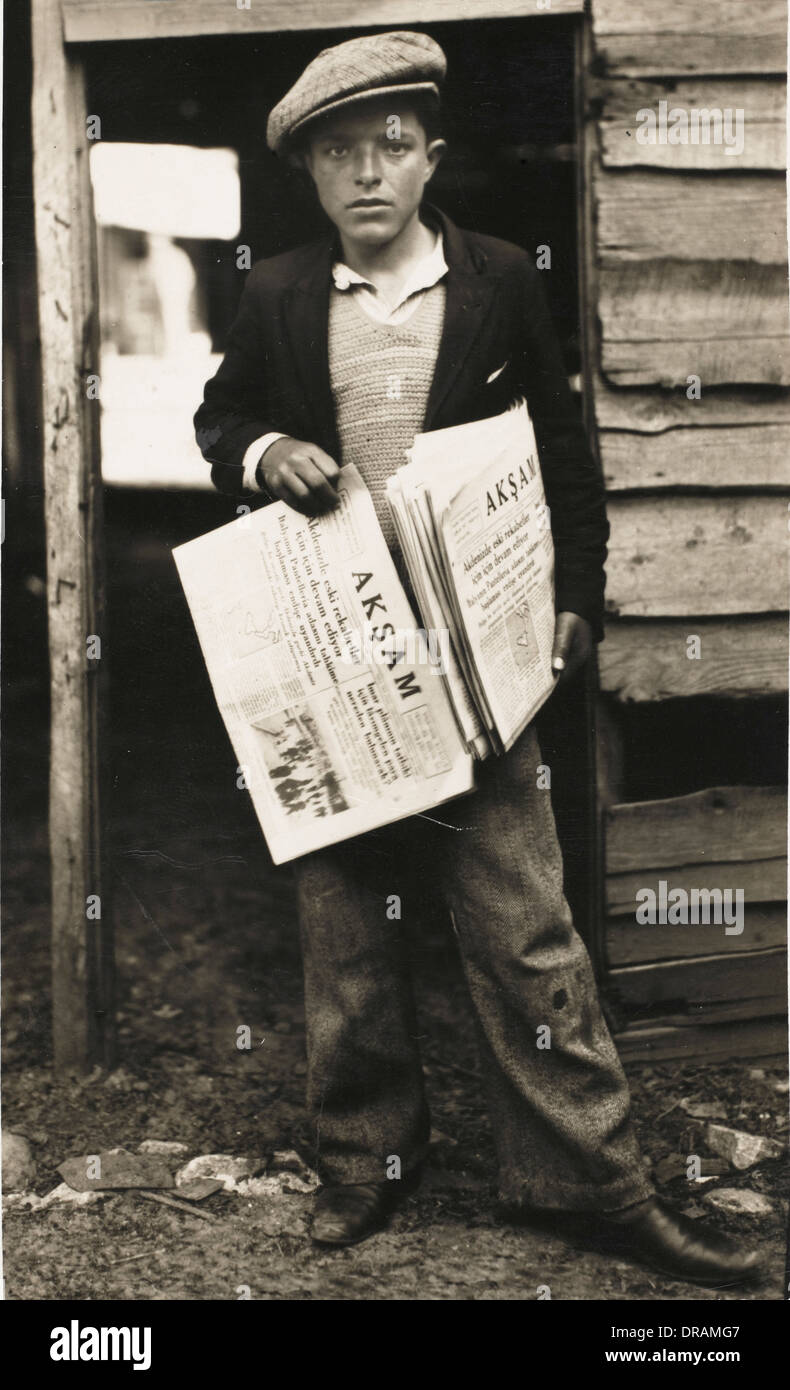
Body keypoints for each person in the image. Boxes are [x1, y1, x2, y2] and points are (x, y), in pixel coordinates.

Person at [194, 30, 762, 1286]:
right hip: (338, 656)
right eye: (337, 153)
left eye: (390, 145)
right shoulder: (280, 291)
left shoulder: (497, 277)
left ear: (430, 156)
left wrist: (576, 598)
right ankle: (365, 1167)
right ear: (309, 177)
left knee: (525, 924)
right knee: (345, 929)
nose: (366, 173)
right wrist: (261, 450)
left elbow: (563, 451)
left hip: (474, 654)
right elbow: (217, 415)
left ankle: (586, 1182)